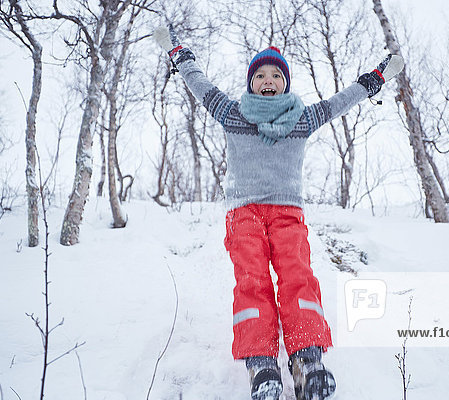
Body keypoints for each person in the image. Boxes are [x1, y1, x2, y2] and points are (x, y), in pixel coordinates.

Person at [154, 26, 404, 400]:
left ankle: (307, 358)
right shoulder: (234, 114)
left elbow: (341, 101)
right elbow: (200, 84)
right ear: (251, 82)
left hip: (288, 214)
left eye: (275, 75)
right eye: (259, 75)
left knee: (297, 277)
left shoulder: (302, 119)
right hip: (244, 214)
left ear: (285, 84)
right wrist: (179, 53)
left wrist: (376, 79)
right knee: (252, 282)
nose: (267, 80)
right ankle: (261, 363)